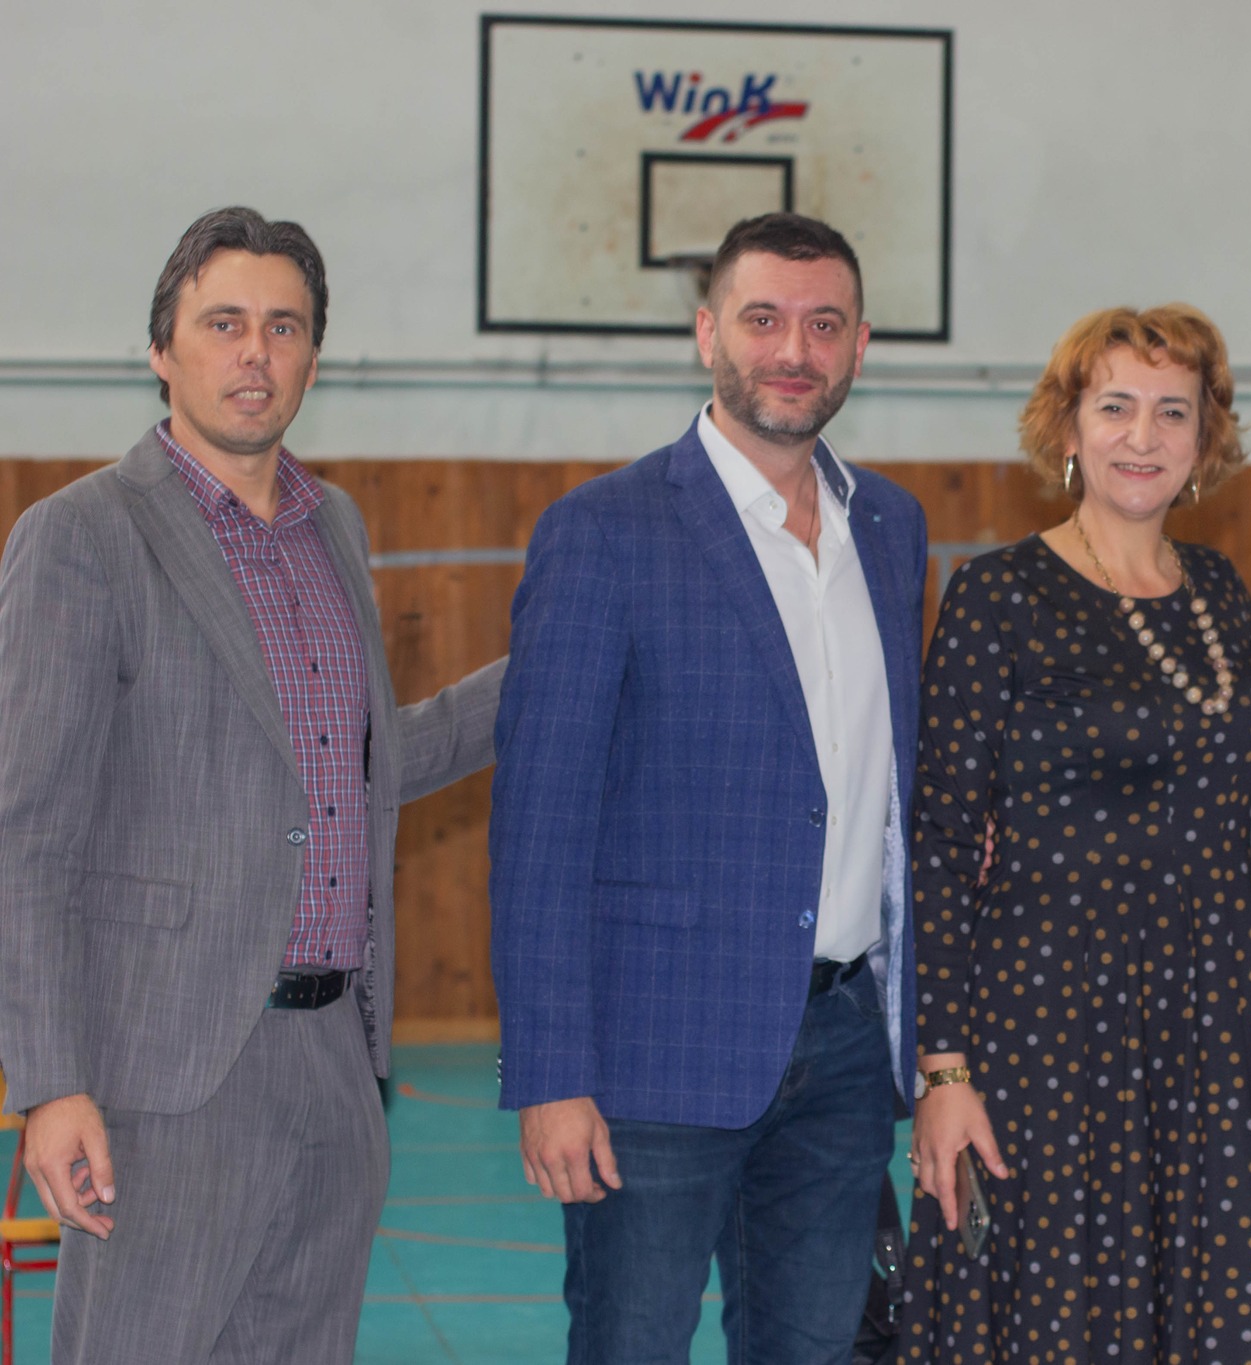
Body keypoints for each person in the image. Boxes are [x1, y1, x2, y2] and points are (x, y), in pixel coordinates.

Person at [0, 207, 503, 1364]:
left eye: (285, 327)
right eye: (223, 323)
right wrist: (52, 1083)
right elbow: (27, 836)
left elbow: (359, 767)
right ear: (161, 350)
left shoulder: (336, 529)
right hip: (165, 1076)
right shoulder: (82, 536)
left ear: (314, 359)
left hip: (333, 1060)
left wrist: (547, 673)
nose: (255, 353)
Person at [488, 212, 927, 1365]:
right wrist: (549, 1076)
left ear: (859, 346)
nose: (793, 350)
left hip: (843, 1050)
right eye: (762, 319)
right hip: (653, 1055)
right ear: (705, 334)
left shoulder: (890, 527)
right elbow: (538, 827)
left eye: (823, 325)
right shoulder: (602, 532)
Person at [901, 304, 1251, 1364]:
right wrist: (942, 1073)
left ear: (1204, 438)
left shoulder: (1220, 592)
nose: (1143, 435)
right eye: (1116, 406)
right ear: (1069, 427)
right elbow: (939, 841)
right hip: (1047, 1022)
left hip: (1211, 1017)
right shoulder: (999, 595)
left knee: (1214, 1308)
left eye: (1172, 411)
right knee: (1054, 1310)